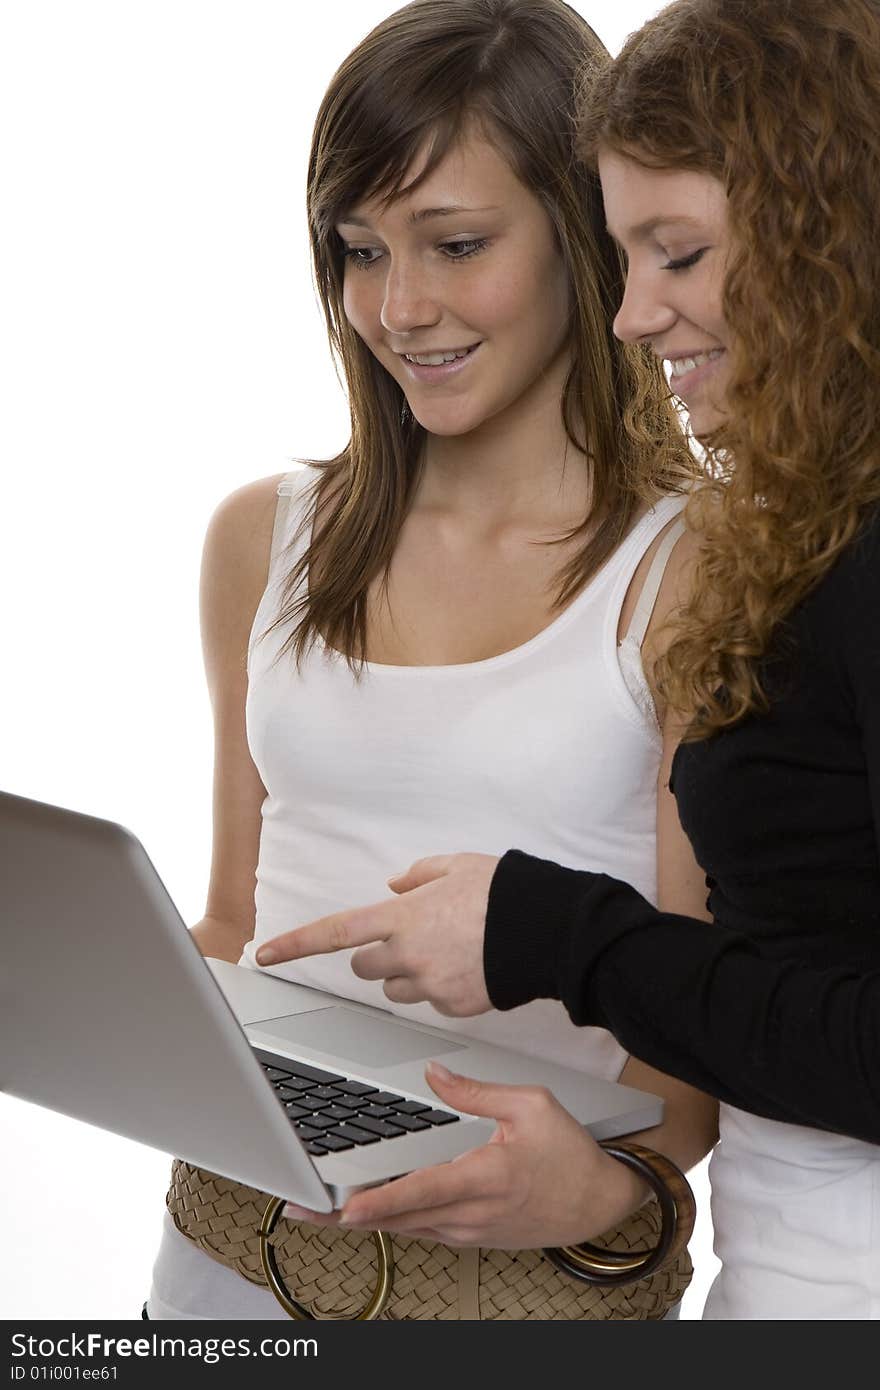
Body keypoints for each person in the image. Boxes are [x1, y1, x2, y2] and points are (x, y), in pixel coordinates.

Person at [259, 0, 880, 1321]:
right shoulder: (804, 537)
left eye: (678, 252)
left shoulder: (716, 560)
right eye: (626, 252)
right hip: (780, 1272)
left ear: (830, 230)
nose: (630, 312)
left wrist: (556, 937)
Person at [144, 0, 719, 1322]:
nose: (398, 308)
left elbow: (690, 1053)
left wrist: (600, 1183)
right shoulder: (264, 540)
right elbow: (237, 925)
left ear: (587, 233)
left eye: (457, 245)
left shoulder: (694, 571)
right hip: (231, 1259)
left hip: (534, 1296)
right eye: (358, 250)